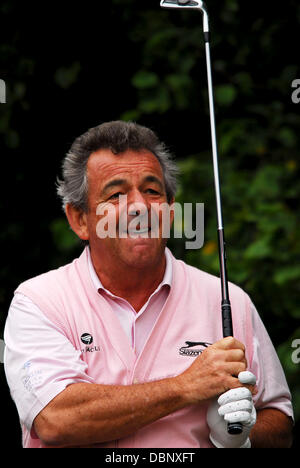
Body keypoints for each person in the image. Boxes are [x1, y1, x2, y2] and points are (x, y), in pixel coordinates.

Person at [4, 121, 293, 448]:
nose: (139, 206)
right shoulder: (41, 302)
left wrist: (241, 439)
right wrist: (186, 386)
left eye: (152, 191)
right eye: (116, 194)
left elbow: (280, 423)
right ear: (79, 219)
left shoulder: (229, 300)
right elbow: (57, 419)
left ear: (170, 209)